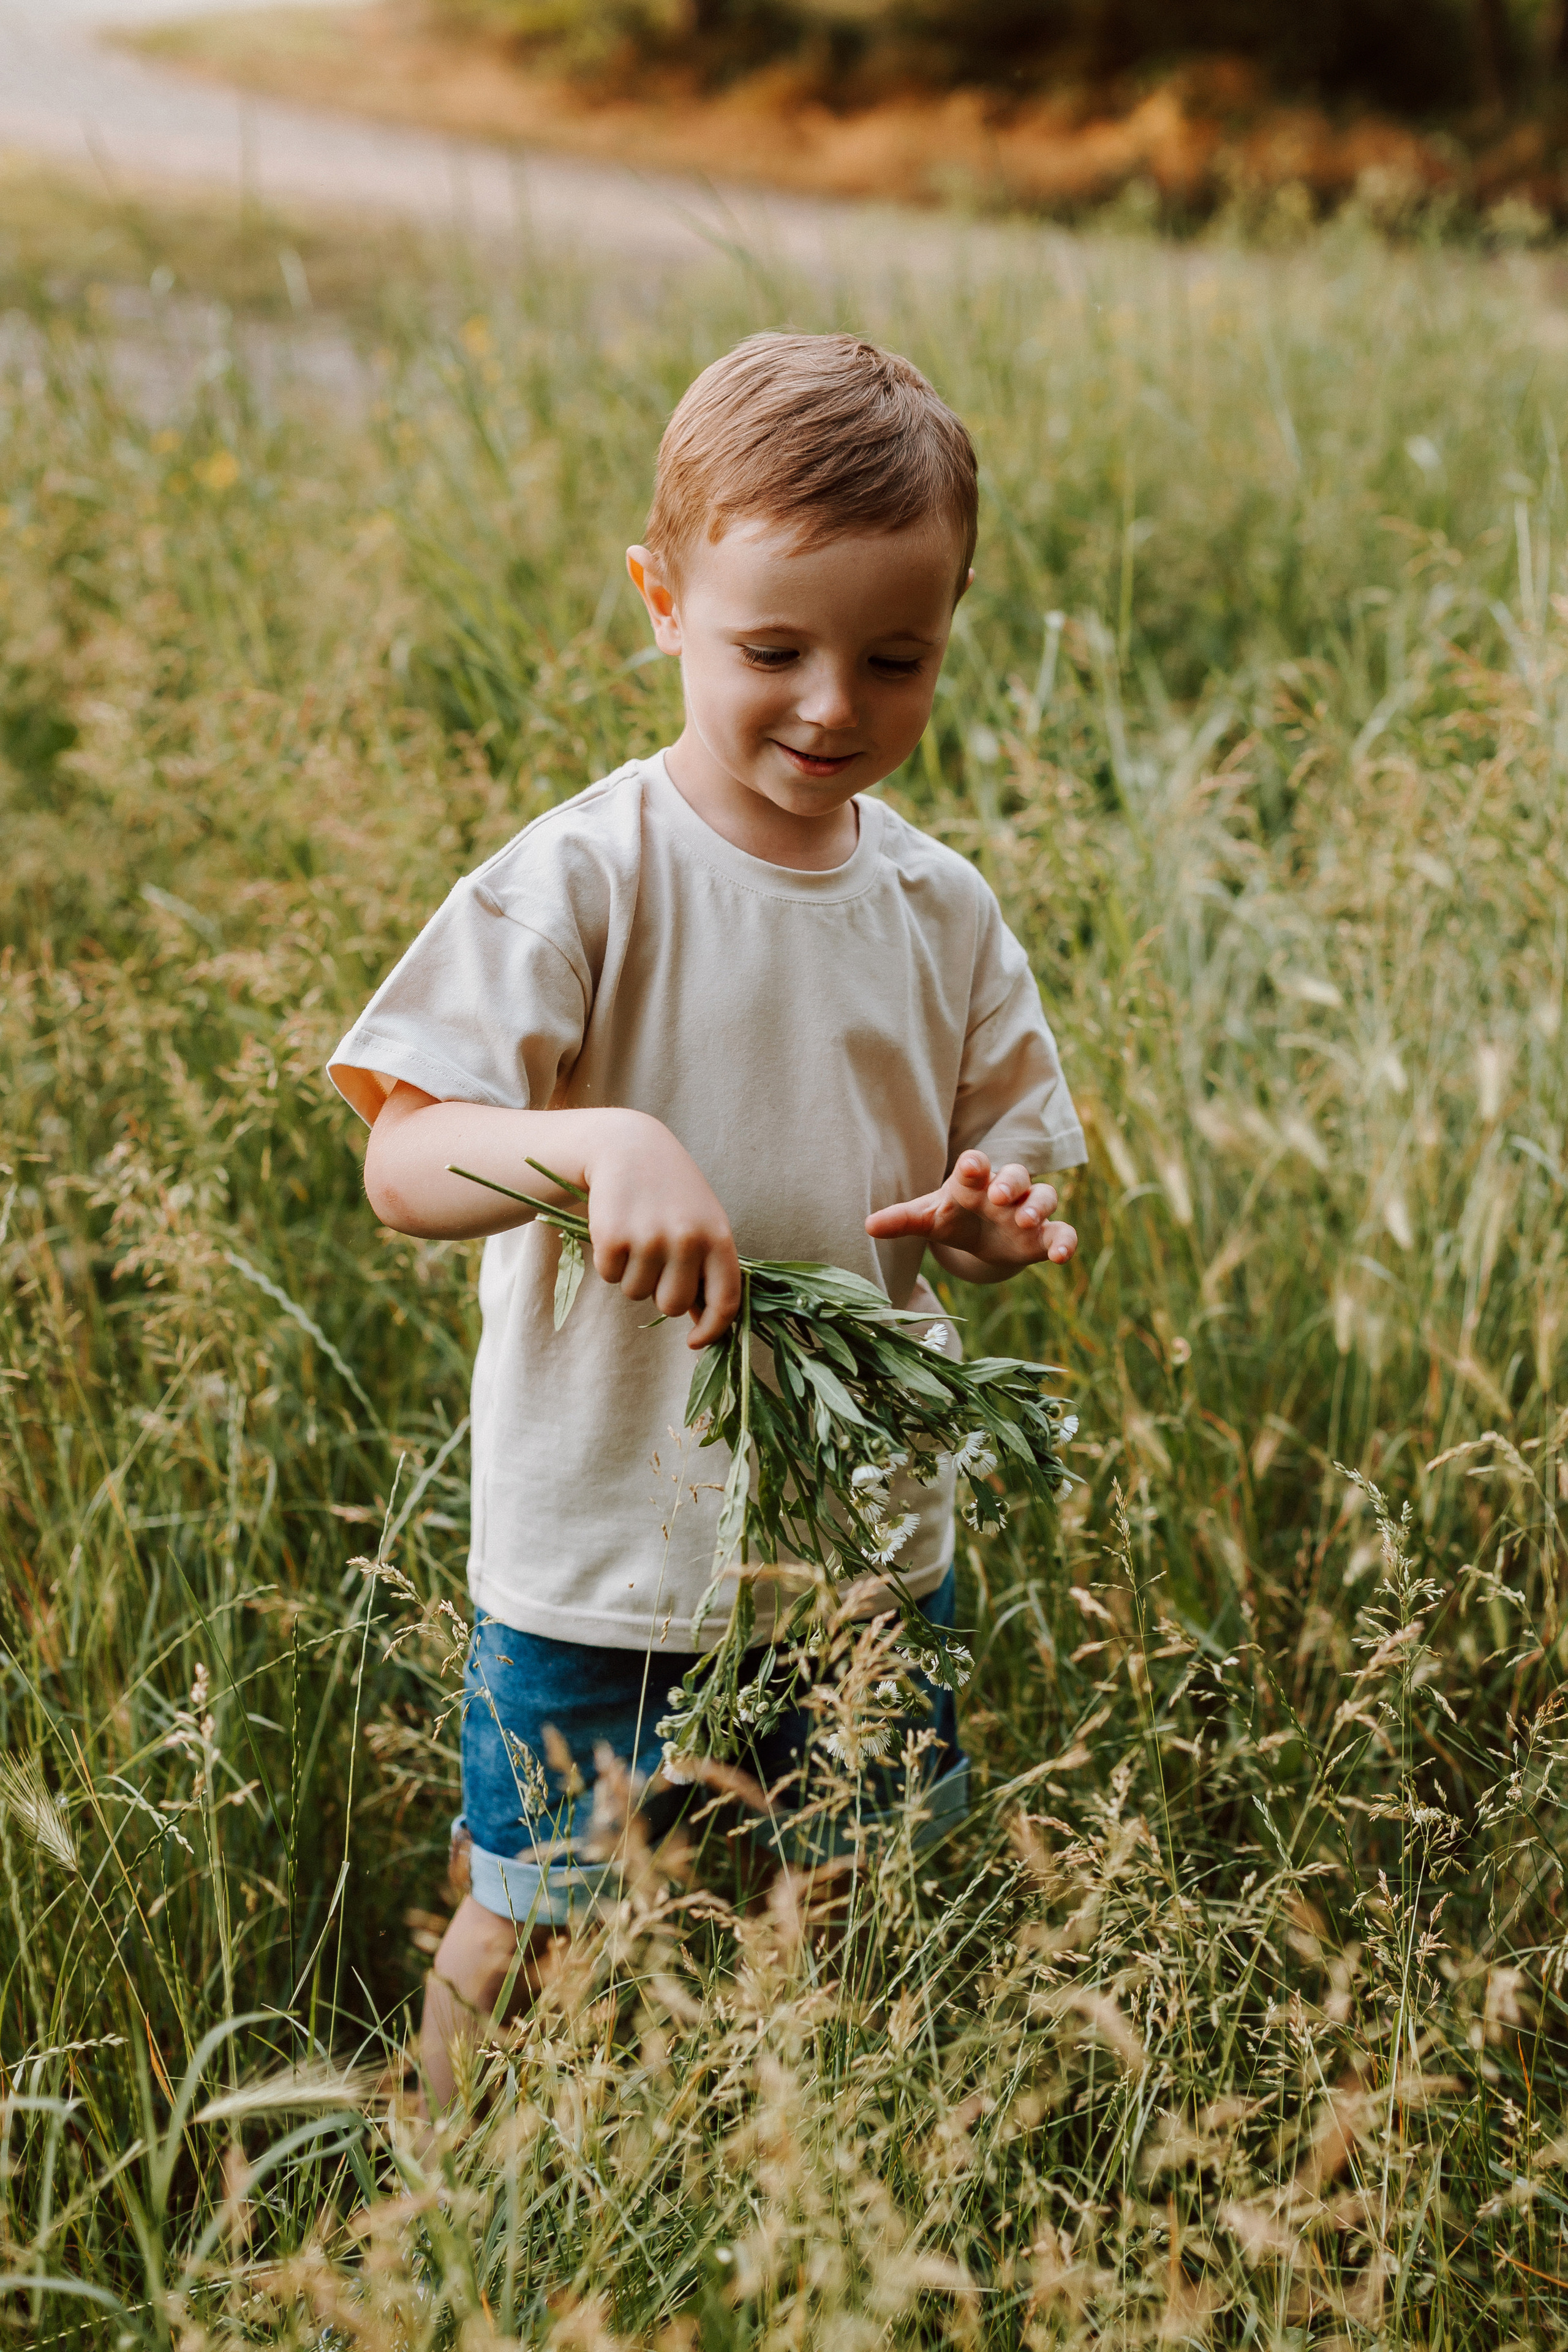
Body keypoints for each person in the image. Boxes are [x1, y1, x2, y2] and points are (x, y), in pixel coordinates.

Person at [327, 331, 1086, 2112]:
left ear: (950, 628)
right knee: (533, 1907)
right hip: (610, 1534)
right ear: (662, 602)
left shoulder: (942, 909)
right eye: (774, 650)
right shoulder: (586, 877)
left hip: (866, 1530)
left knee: (834, 1885)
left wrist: (994, 1220)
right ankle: (431, 2189)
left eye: (896, 659)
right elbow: (405, 1161)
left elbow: (1008, 1181)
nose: (835, 705)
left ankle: (791, 2164)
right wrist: (595, 1145)